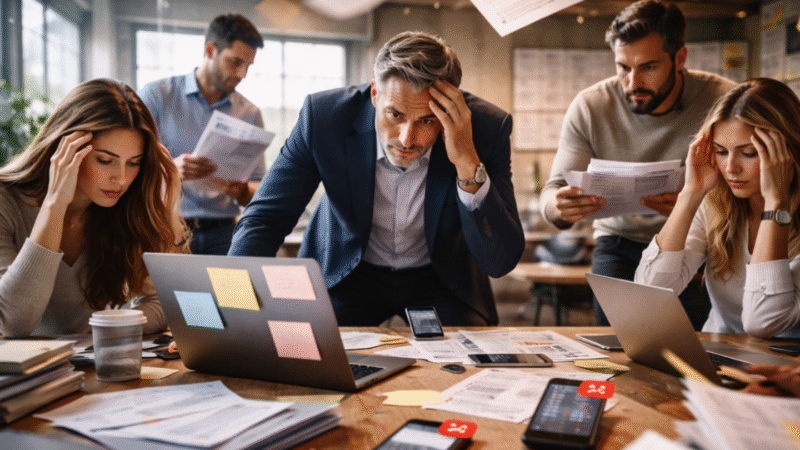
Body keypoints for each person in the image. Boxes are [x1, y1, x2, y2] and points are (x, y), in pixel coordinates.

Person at [229, 31, 525, 326]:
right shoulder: (324, 118)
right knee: (308, 358)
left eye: (426, 120)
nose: (407, 139)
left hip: (441, 280)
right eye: (395, 115)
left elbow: (498, 262)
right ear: (374, 94)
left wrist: (467, 161)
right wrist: (235, 303)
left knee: (468, 366)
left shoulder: (486, 129)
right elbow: (266, 217)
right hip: (347, 274)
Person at [539, 0, 735, 326]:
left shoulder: (722, 101)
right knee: (618, 349)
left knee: (688, 349)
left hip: (697, 242)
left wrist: (698, 205)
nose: (632, 83)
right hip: (619, 242)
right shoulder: (590, 106)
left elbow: (747, 187)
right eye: (623, 67)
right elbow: (552, 191)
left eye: (649, 67)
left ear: (680, 58)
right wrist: (558, 209)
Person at [0, 78, 188, 337]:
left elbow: (164, 303)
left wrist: (109, 329)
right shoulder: (5, 202)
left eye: (133, 163)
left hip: (87, 370)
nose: (121, 179)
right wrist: (55, 203)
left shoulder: (123, 207)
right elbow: (13, 323)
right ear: (65, 148)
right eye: (105, 160)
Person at [635, 78, 800, 338]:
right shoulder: (716, 203)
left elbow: (762, 323)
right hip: (722, 358)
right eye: (721, 152)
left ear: (787, 152)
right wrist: (690, 194)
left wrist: (776, 204)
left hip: (788, 370)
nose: (731, 168)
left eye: (748, 153)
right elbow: (649, 292)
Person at [139, 13, 265, 255]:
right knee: (167, 294)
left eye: (248, 66)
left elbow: (260, 188)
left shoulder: (250, 113)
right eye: (236, 62)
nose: (242, 74)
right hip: (166, 229)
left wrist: (241, 191)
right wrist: (171, 170)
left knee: (235, 295)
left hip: (225, 235)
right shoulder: (157, 96)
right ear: (210, 50)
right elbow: (128, 169)